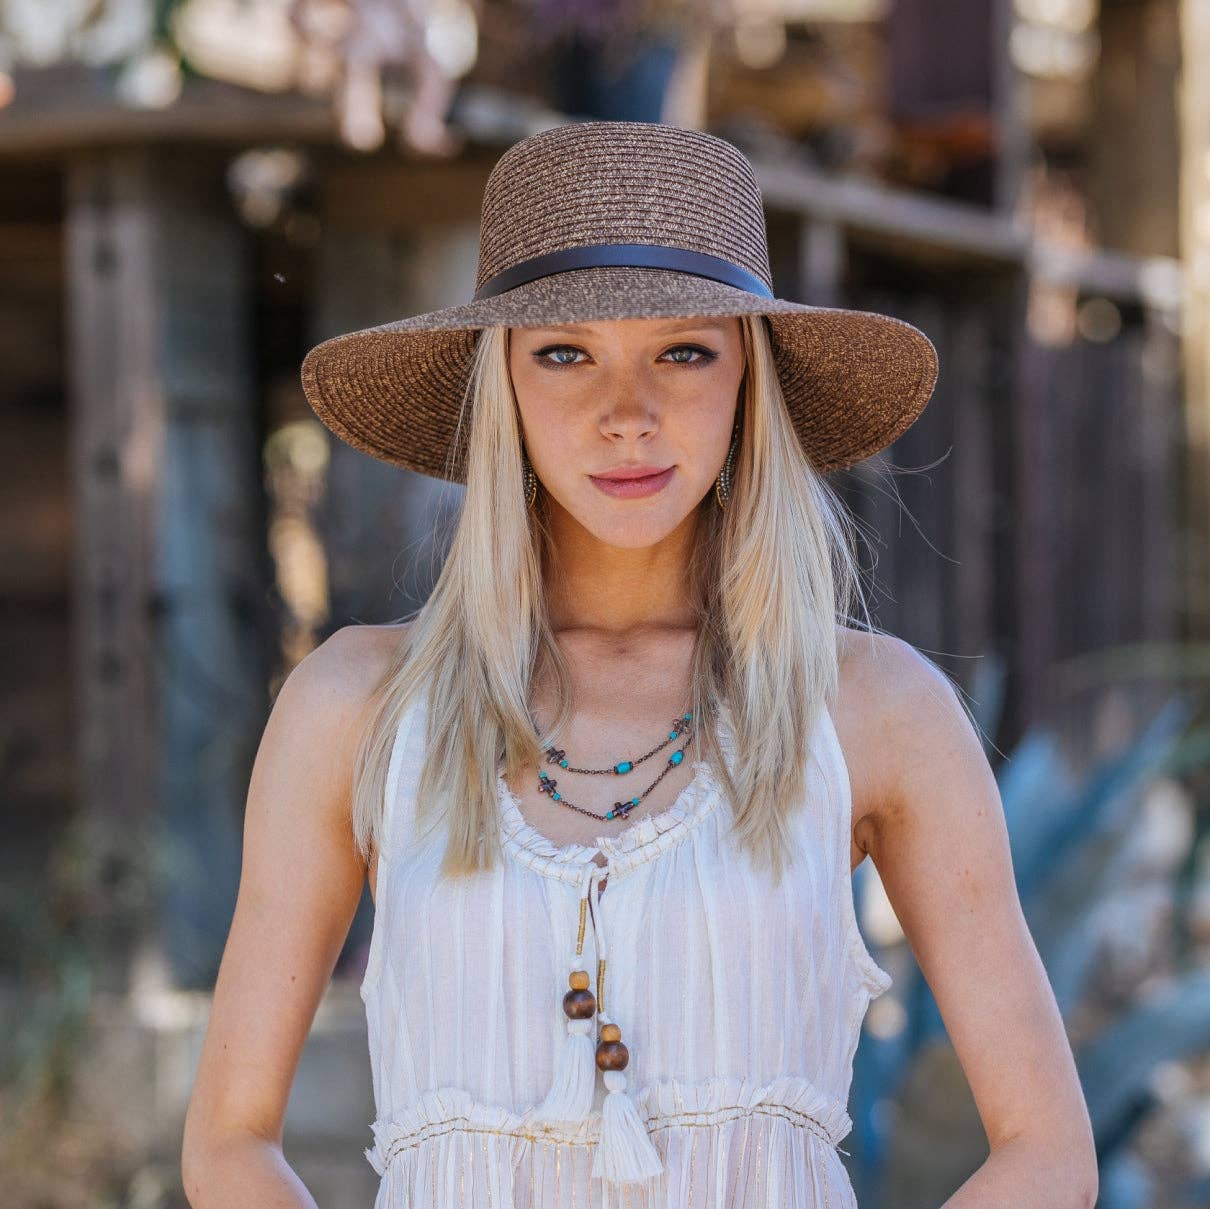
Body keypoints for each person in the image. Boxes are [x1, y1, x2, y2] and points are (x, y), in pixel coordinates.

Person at [181, 121, 1098, 1208]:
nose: (627, 415)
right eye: (565, 354)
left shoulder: (872, 707)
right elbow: (230, 1141)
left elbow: (1046, 1150)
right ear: (501, 383)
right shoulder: (358, 706)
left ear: (749, 379)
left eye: (684, 351)